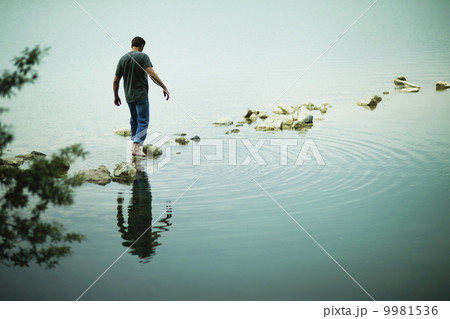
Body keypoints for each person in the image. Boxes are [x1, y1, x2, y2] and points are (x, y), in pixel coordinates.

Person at [113, 36, 169, 156]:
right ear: (142, 45)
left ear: (132, 45)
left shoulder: (122, 59)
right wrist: (164, 87)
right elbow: (152, 74)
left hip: (129, 96)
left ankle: (134, 145)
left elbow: (115, 81)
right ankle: (137, 147)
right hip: (141, 95)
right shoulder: (143, 56)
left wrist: (116, 96)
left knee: (134, 121)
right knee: (143, 121)